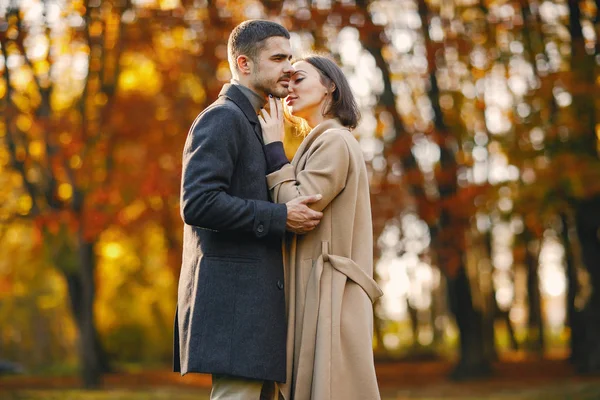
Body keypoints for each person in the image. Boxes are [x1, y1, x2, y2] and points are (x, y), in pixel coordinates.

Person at [174, 20, 324, 400]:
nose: (289, 67)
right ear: (244, 64)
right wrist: (280, 217)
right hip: (234, 309)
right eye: (277, 58)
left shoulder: (256, 122)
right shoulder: (222, 118)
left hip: (255, 312)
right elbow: (198, 202)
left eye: (290, 57)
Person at [259, 56, 384, 400]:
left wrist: (273, 149)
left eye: (298, 79)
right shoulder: (317, 144)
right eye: (287, 81)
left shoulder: (335, 142)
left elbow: (297, 208)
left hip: (330, 295)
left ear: (330, 86)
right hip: (316, 289)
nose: (289, 88)